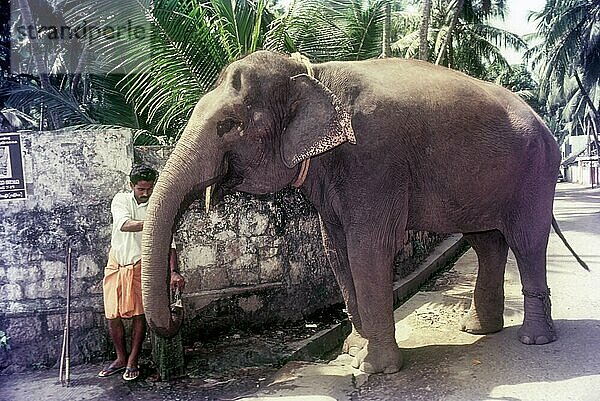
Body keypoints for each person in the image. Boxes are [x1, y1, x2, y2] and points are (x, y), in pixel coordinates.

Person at [98, 164, 185, 381]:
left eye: (149, 189)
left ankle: (133, 360)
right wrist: (155, 224)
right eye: (141, 189)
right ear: (131, 186)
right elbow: (123, 224)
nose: (145, 193)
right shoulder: (121, 200)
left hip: (140, 265)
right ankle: (120, 358)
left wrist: (174, 271)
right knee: (112, 314)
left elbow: (170, 243)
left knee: (139, 314)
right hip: (116, 263)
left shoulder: (157, 206)